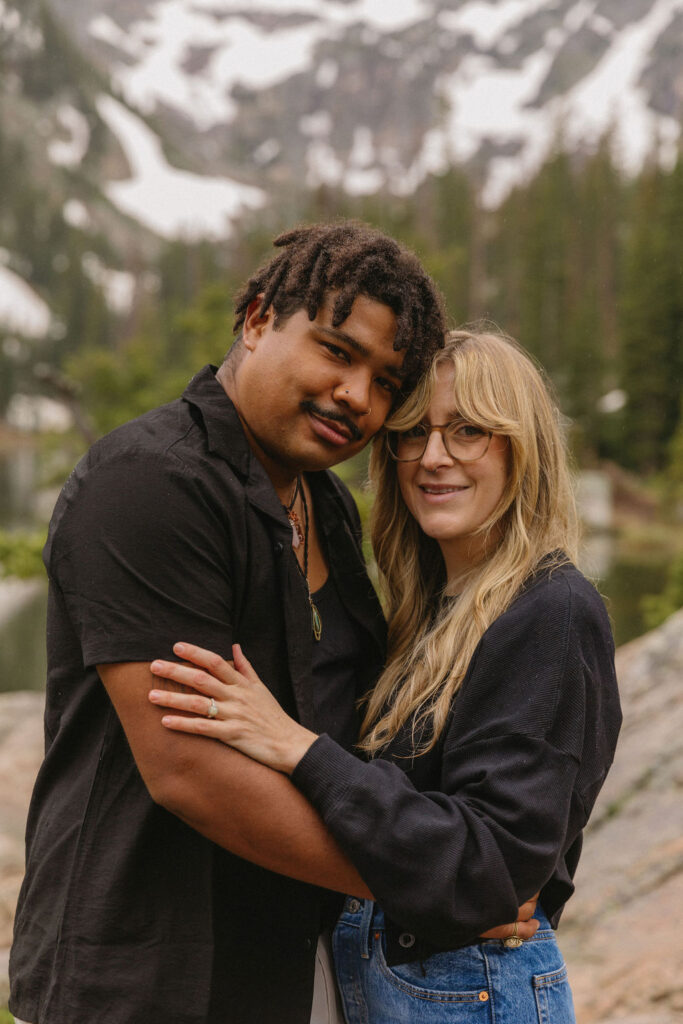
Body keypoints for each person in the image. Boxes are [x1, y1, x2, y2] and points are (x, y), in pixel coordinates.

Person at [9, 221, 456, 1024]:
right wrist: (434, 883)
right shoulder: (150, 484)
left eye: (387, 381)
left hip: (290, 964)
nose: (358, 396)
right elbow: (189, 771)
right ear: (256, 321)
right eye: (336, 350)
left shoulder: (324, 507)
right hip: (142, 976)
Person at [145, 328, 622, 1023]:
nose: (432, 458)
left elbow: (492, 859)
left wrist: (297, 747)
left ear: (524, 449)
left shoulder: (551, 608)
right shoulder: (430, 609)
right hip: (397, 981)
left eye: (467, 431)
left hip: (468, 992)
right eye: (414, 433)